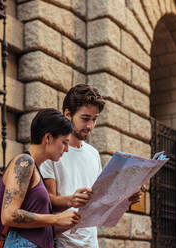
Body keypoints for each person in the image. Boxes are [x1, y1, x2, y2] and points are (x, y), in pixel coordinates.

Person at [40, 84, 142, 248]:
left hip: (91, 243)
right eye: (85, 118)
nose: (90, 126)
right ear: (68, 115)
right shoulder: (52, 151)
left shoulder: (93, 154)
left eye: (94, 119)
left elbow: (101, 201)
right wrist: (72, 200)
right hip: (61, 242)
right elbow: (47, 201)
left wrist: (127, 197)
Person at [0, 108, 80, 248]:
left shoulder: (35, 168)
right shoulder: (24, 163)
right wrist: (56, 218)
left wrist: (70, 219)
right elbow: (8, 215)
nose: (67, 149)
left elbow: (37, 229)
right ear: (48, 138)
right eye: (64, 142)